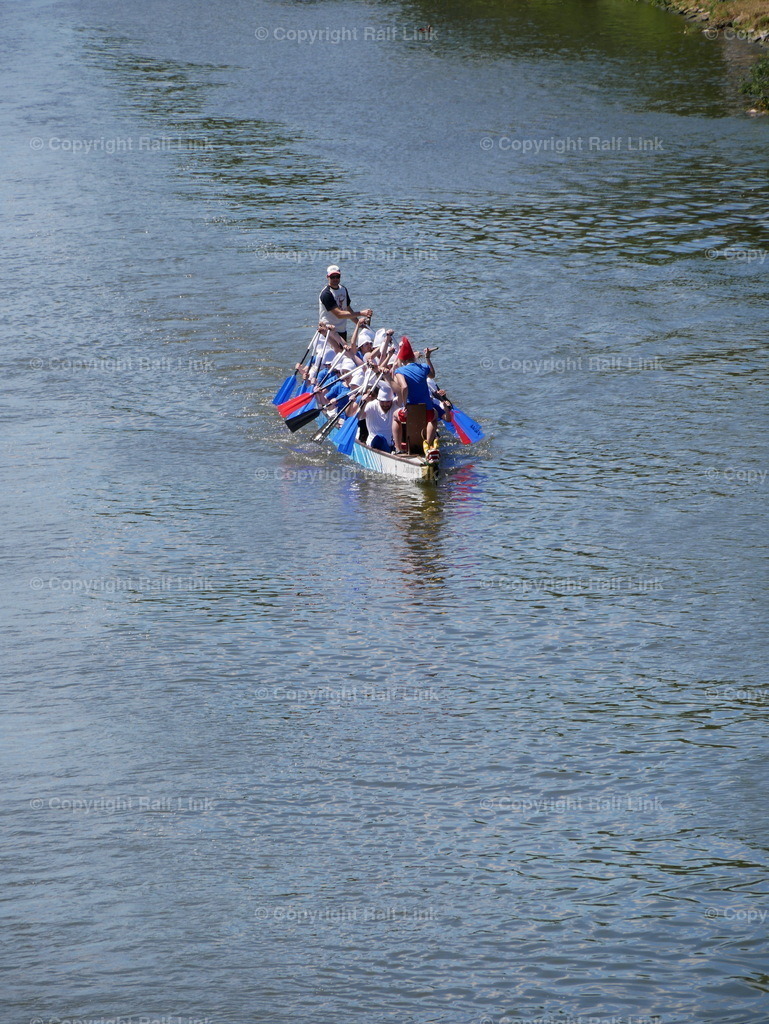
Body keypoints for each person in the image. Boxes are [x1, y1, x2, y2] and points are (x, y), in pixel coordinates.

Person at [391, 337, 440, 460]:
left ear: (401, 359)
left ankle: (397, 448)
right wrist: (428, 357)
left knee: (395, 417)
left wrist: (404, 406)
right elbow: (432, 375)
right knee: (434, 417)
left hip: (409, 413)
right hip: (426, 411)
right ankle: (428, 445)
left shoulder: (400, 370)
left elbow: (404, 387)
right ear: (413, 357)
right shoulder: (423, 367)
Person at [318, 266, 372, 342]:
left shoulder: (343, 289)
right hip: (328, 331)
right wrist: (361, 313)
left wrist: (359, 324)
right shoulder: (326, 294)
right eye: (332, 277)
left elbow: (348, 310)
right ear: (327, 277)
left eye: (337, 276)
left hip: (342, 330)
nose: (335, 279)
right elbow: (339, 314)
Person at [363, 383, 399, 452]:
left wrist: (388, 377)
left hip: (390, 445)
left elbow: (401, 392)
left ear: (392, 400)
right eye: (382, 402)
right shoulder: (371, 405)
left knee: (381, 439)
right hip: (374, 443)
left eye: (388, 402)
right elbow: (360, 417)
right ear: (378, 400)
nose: (385, 404)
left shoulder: (395, 405)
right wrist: (364, 402)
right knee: (379, 438)